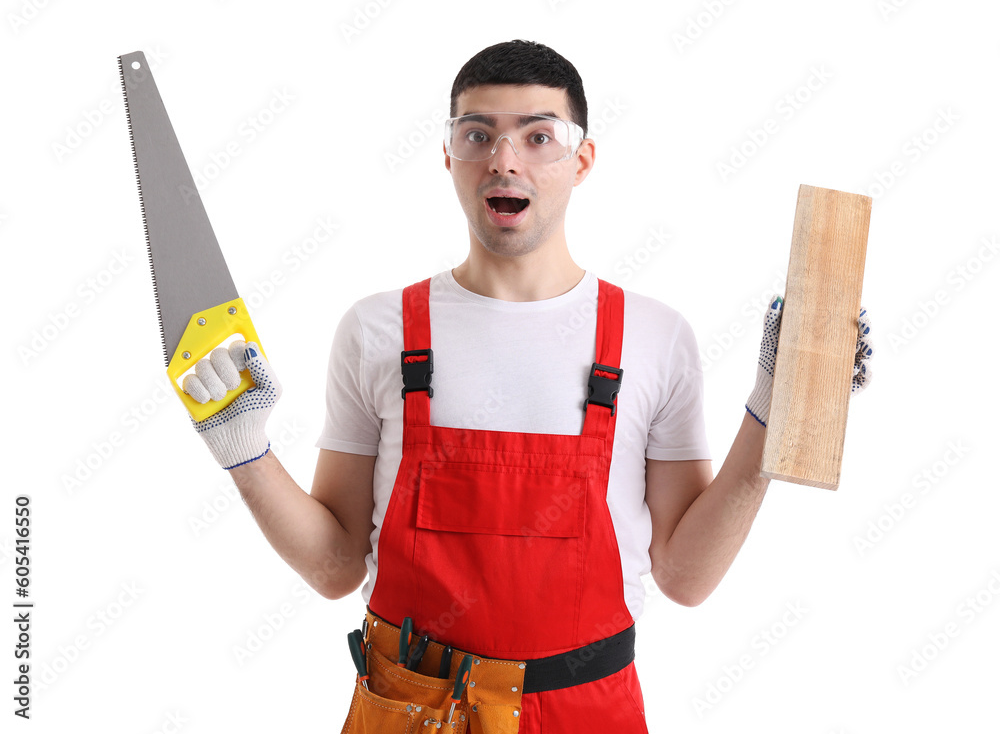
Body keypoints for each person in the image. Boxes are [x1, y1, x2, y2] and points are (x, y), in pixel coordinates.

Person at [183, 40, 873, 733]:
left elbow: (686, 576)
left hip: (586, 713)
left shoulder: (654, 337)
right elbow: (336, 566)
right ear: (449, 155)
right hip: (411, 710)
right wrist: (244, 451)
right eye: (477, 133)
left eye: (538, 136)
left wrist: (773, 408)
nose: (504, 160)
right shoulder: (377, 330)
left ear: (582, 160)